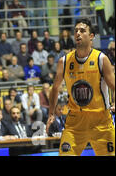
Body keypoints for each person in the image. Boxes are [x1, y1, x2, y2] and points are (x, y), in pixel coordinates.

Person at [46, 18, 115, 156]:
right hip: (75, 121)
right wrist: (51, 114)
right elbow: (54, 88)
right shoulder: (64, 61)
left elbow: (114, 85)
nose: (77, 33)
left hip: (101, 119)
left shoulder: (101, 59)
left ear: (91, 36)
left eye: (82, 30)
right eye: (76, 30)